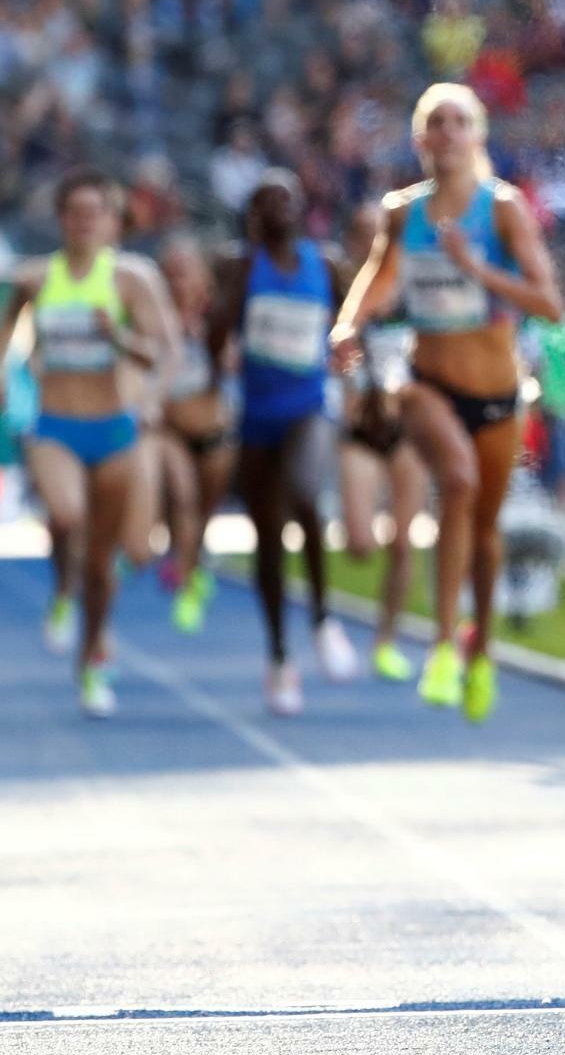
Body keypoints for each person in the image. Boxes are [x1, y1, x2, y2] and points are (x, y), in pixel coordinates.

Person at [332, 83, 564, 722]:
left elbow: (549, 303)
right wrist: (348, 326)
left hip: (496, 392)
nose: (448, 133)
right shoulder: (405, 215)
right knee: (455, 483)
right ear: (420, 140)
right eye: (436, 123)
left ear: (477, 137)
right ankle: (440, 643)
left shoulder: (505, 211)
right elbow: (377, 279)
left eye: (460, 122)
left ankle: (480, 649)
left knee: (484, 534)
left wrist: (476, 268)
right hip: (427, 383)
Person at [0, 169, 178, 718]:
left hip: (113, 428)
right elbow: (7, 328)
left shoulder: (128, 280)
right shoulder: (34, 279)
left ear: (110, 221)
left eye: (95, 213)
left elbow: (160, 352)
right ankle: (60, 593)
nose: (85, 223)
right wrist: (1, 375)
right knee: (67, 515)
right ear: (62, 219)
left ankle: (92, 655)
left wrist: (121, 344)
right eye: (75, 213)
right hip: (55, 425)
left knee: (103, 564)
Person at [209, 171, 361, 715]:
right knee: (268, 541)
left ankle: (322, 618)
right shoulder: (241, 265)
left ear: (302, 208)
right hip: (256, 417)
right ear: (253, 214)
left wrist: (351, 365)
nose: (279, 208)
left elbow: (353, 325)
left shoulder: (327, 264)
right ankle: (278, 657)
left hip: (308, 408)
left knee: (304, 492)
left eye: (288, 199)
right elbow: (215, 331)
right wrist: (217, 364)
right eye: (267, 201)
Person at [335, 201, 426, 682]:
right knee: (359, 543)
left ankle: (386, 639)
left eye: (381, 234)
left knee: (403, 542)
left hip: (408, 430)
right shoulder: (345, 295)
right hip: (361, 431)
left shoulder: (416, 291)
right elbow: (334, 352)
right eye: (363, 234)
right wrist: (350, 386)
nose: (373, 242)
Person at [155, 235, 235, 634]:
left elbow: (236, 361)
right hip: (170, 429)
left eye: (183, 272)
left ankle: (193, 558)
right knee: (182, 498)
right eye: (169, 273)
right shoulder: (153, 319)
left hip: (214, 430)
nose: (176, 281)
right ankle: (186, 583)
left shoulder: (216, 317)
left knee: (203, 510)